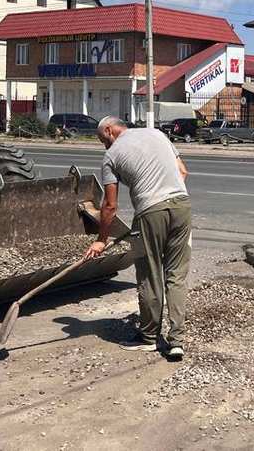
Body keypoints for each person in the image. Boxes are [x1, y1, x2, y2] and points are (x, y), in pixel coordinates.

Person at [83, 116, 191, 360]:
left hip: (150, 214)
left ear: (109, 130)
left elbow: (110, 206)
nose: (105, 146)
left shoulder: (111, 157)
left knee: (149, 275)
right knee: (176, 276)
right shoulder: (156, 134)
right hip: (182, 207)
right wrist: (166, 196)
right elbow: (182, 171)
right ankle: (177, 342)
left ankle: (149, 337)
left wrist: (101, 239)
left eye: (103, 140)